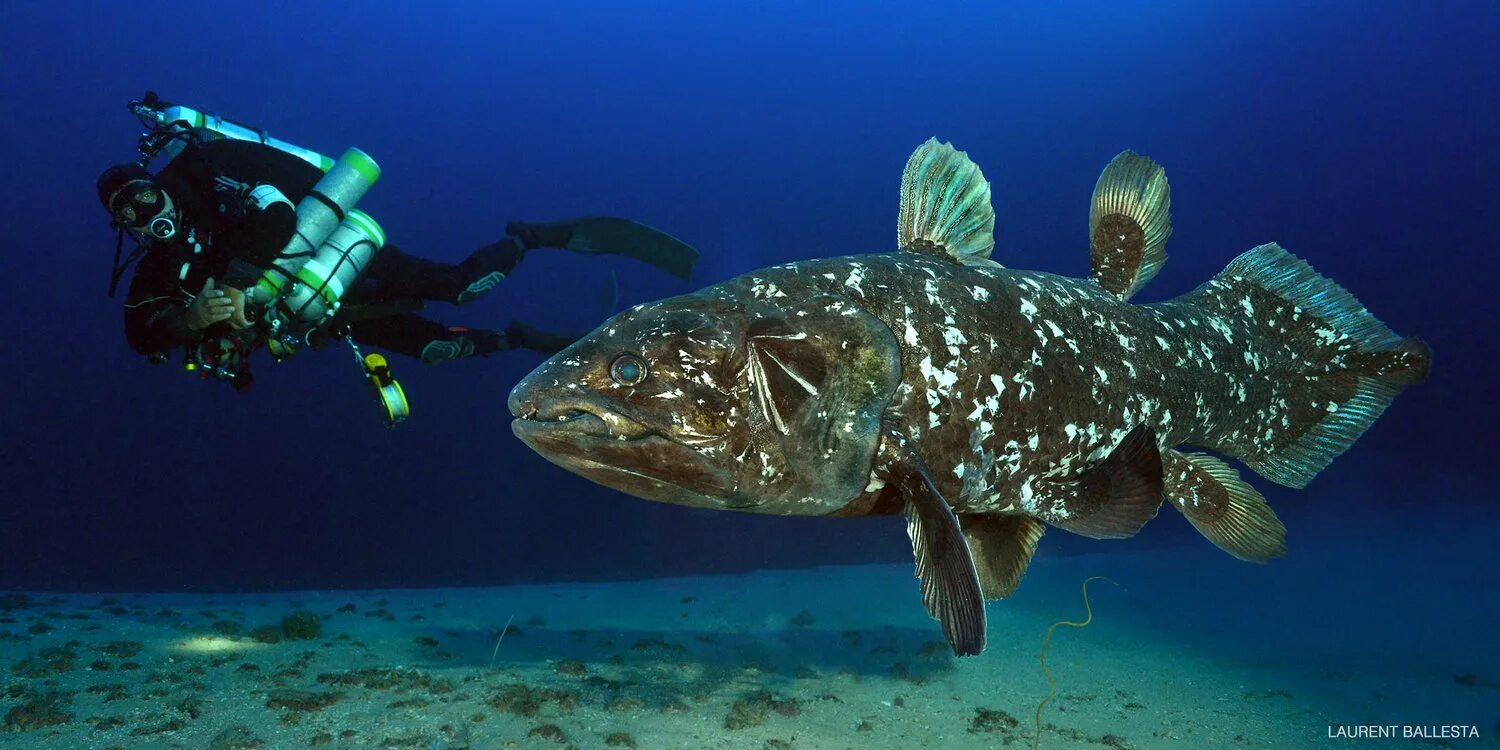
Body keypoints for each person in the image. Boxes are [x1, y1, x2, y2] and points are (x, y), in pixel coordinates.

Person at [98, 137, 690, 387]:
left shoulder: (206, 179)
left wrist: (235, 284)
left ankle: (533, 236)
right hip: (319, 300)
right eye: (125, 214)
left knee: (461, 286)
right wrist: (193, 320)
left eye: (142, 197)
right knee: (434, 347)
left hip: (329, 244)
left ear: (157, 183)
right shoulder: (159, 262)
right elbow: (138, 331)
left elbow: (276, 214)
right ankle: (521, 339)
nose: (143, 215)